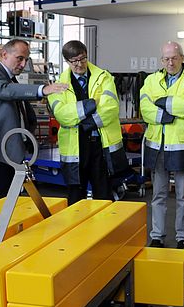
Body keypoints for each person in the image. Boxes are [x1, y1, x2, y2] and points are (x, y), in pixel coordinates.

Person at [0, 39, 66, 201]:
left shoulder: (11, 79)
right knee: (0, 203)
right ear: (4, 55)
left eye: (26, 60)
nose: (23, 64)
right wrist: (42, 89)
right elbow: (6, 91)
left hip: (13, 151)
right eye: (19, 58)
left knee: (14, 201)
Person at [48, 40, 128, 205]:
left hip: (101, 144)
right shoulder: (58, 85)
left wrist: (84, 122)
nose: (79, 64)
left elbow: (111, 108)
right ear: (67, 61)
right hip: (75, 147)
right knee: (76, 197)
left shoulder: (104, 78)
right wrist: (91, 104)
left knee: (104, 195)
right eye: (74, 61)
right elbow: (62, 115)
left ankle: (105, 230)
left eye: (82, 58)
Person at [141, 42, 184, 249]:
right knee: (158, 195)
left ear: (182, 58)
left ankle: (182, 237)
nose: (170, 62)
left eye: (174, 58)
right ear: (162, 60)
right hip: (158, 146)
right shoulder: (151, 80)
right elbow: (144, 108)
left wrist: (160, 101)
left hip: (182, 146)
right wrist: (165, 114)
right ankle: (157, 235)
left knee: (183, 196)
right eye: (166, 59)